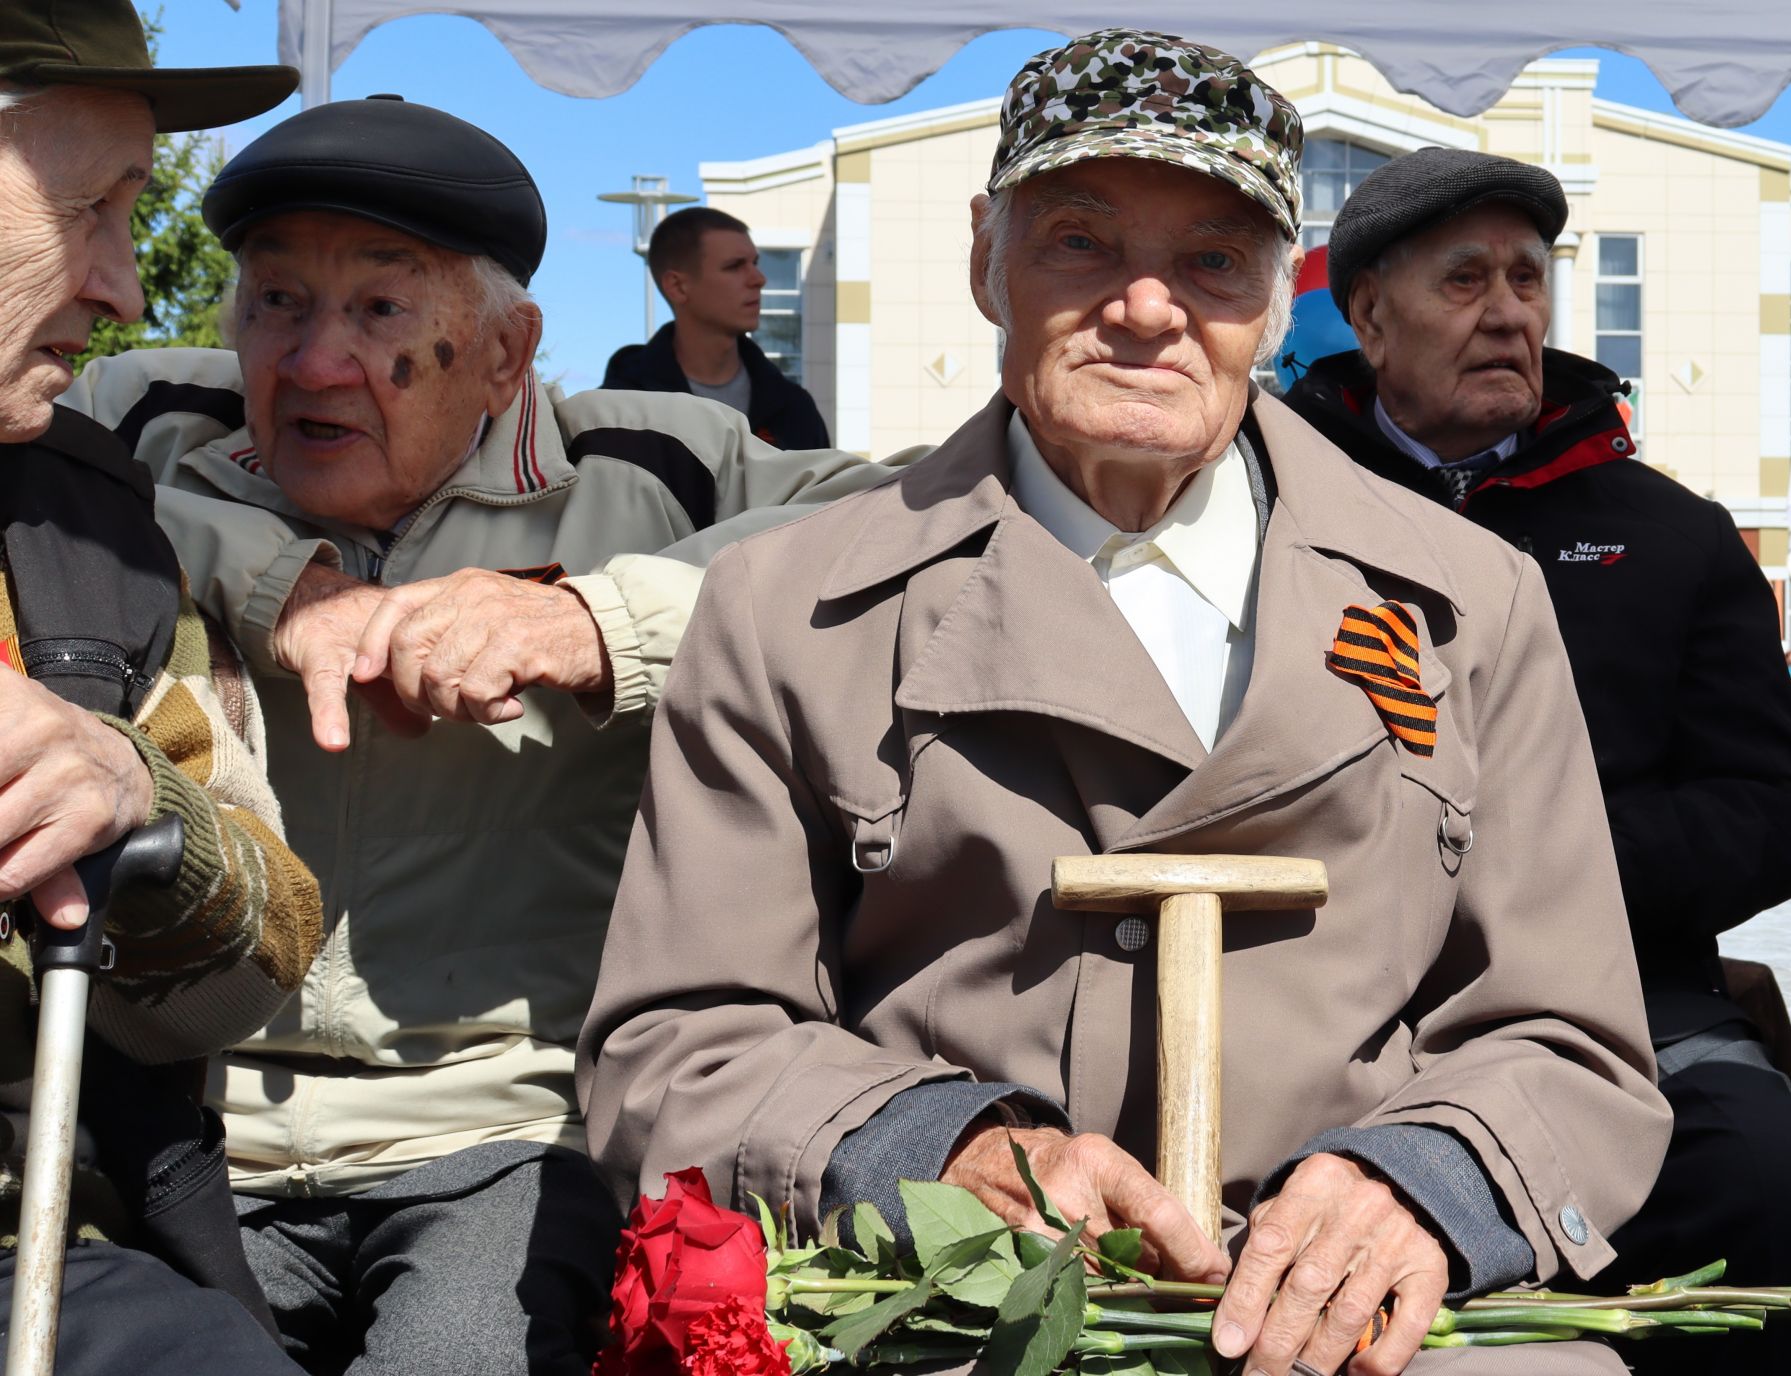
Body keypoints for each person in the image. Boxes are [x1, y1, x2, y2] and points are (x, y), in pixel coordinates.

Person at [582, 30, 1669, 1376]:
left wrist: (1422, 1189)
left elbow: (1568, 1039)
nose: (1148, 308)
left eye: (1212, 260)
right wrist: (935, 1151)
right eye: (1081, 242)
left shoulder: (1470, 602)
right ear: (987, 258)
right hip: (943, 1302)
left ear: (1278, 300)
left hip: (1376, 1326)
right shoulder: (788, 608)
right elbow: (677, 1043)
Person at [60, 95, 913, 1376]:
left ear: (507, 353)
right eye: (278, 302)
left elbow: (914, 519)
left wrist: (592, 616)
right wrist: (274, 581)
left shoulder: (650, 465)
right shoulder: (141, 422)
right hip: (185, 1126)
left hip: (507, 1136)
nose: (314, 362)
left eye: (381, 311)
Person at [1284, 145, 1791, 1376]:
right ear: (1368, 315)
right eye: (1465, 280)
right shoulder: (1264, 510)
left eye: (1527, 278)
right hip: (1317, 1003)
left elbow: (1775, 816)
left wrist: (1535, 864)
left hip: (1625, 1005)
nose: (1510, 311)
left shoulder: (1668, 534)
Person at [0, 2, 324, 1370]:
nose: (128, 288)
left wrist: (132, 794)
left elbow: (277, 939)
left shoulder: (94, 539)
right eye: (89, 209)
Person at [600, 207, 830, 449]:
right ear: (677, 286)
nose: (758, 279)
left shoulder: (794, 410)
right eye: (734, 266)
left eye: (755, 263)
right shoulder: (619, 411)